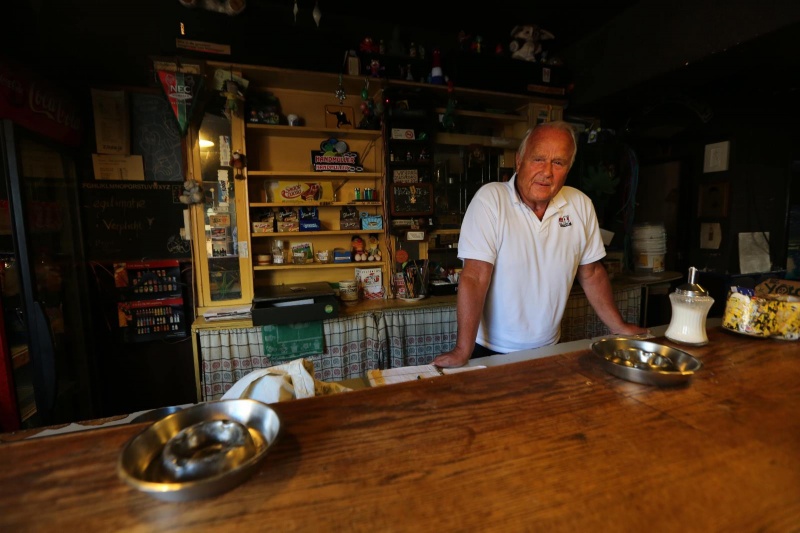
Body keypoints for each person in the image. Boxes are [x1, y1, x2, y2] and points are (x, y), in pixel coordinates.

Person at [432, 121, 648, 367]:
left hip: (549, 348)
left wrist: (619, 326)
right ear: (519, 160)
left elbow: (592, 273)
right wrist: (462, 350)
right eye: (538, 159)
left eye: (558, 162)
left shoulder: (580, 205)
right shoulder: (490, 200)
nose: (547, 172)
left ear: (568, 169)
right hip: (490, 350)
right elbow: (475, 276)